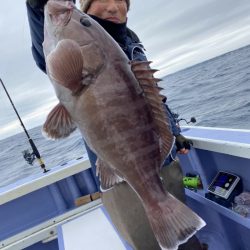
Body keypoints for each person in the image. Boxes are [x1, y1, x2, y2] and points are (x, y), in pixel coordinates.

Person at [26, 0, 203, 249]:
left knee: (188, 242)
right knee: (147, 242)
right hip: (121, 177)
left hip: (164, 162)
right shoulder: (69, 40)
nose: (114, 7)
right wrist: (36, 6)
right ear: (84, 9)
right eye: (103, 0)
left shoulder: (131, 42)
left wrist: (174, 133)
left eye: (121, 0)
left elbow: (153, 100)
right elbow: (43, 48)